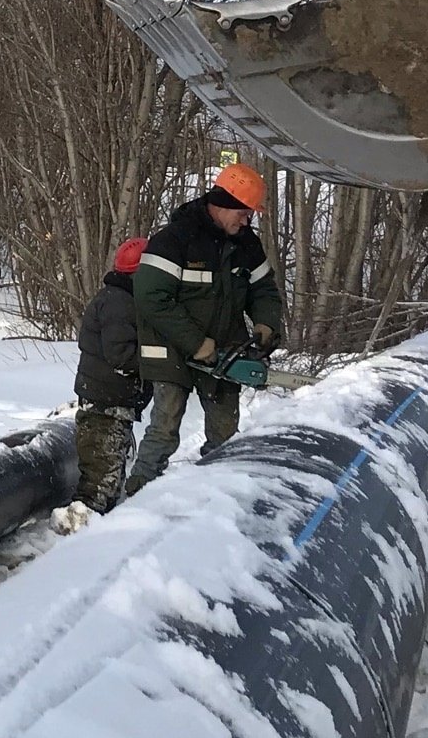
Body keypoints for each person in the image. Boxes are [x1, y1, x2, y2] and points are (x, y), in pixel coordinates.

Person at [126, 162, 285, 493]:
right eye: (243, 213)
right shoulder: (174, 240)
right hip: (171, 347)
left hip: (225, 349)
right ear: (224, 203)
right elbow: (151, 297)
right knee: (164, 428)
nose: (246, 221)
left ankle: (213, 498)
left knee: (225, 433)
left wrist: (266, 323)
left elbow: (264, 289)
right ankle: (139, 493)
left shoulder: (246, 244)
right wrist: (196, 342)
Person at [72, 237, 151, 511]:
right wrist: (159, 360)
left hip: (110, 400)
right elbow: (121, 356)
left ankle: (95, 520)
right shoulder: (120, 303)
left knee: (108, 475)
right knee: (99, 481)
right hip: (105, 404)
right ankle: (81, 531)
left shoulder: (124, 299)